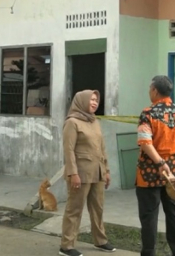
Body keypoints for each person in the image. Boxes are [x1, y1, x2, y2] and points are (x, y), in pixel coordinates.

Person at [136, 75, 175, 256]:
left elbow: (145, 142)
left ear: (155, 91)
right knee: (174, 212)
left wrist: (159, 162)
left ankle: (149, 252)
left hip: (150, 172)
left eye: (150, 89)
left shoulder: (148, 113)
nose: (149, 92)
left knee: (149, 215)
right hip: (174, 171)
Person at [60, 90, 116, 256]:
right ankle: (66, 246)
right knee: (74, 209)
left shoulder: (94, 121)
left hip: (97, 172)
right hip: (81, 173)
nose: (94, 103)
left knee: (97, 208)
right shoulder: (72, 122)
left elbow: (102, 148)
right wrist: (73, 174)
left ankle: (100, 240)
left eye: (95, 100)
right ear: (82, 101)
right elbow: (68, 150)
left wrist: (106, 171)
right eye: (91, 99)